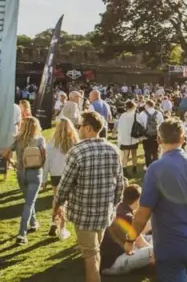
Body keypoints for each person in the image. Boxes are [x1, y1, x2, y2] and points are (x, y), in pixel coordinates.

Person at [124, 118, 187, 282]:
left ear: (159, 140)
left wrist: (131, 238)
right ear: (183, 139)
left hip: (170, 244)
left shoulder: (156, 169)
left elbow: (142, 213)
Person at [53, 112, 124, 282]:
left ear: (88, 128)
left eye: (79, 126)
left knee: (90, 256)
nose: (78, 129)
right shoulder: (114, 150)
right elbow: (120, 184)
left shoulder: (77, 152)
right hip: (104, 212)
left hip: (84, 215)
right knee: (94, 251)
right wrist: (113, 207)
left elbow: (64, 186)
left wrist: (56, 206)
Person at [1, 116, 46, 245]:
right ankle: (22, 234)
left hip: (21, 173)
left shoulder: (18, 139)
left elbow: (5, 154)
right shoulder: (40, 139)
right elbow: (44, 157)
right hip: (35, 173)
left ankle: (33, 222)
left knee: (28, 201)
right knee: (29, 203)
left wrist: (13, 163)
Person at [100, 184, 154, 275]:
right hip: (116, 262)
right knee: (158, 250)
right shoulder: (127, 217)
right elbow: (141, 244)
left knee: (155, 239)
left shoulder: (120, 207)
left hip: (112, 256)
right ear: (137, 200)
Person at [43, 117, 79, 240]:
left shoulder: (51, 144)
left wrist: (43, 180)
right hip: (70, 175)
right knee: (67, 202)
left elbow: (46, 163)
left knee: (57, 200)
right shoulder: (75, 143)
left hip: (55, 175)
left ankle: (54, 222)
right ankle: (62, 229)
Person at [138, 100, 164, 168]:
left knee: (147, 152)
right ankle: (156, 166)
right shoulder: (158, 113)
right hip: (156, 135)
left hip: (146, 135)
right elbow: (162, 124)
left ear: (147, 105)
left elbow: (140, 125)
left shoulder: (142, 113)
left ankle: (148, 166)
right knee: (155, 152)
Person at [117, 100, 140, 176]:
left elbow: (119, 127)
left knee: (125, 154)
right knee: (134, 153)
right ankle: (134, 167)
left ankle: (124, 169)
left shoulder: (123, 115)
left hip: (125, 138)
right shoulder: (136, 115)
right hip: (134, 137)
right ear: (133, 107)